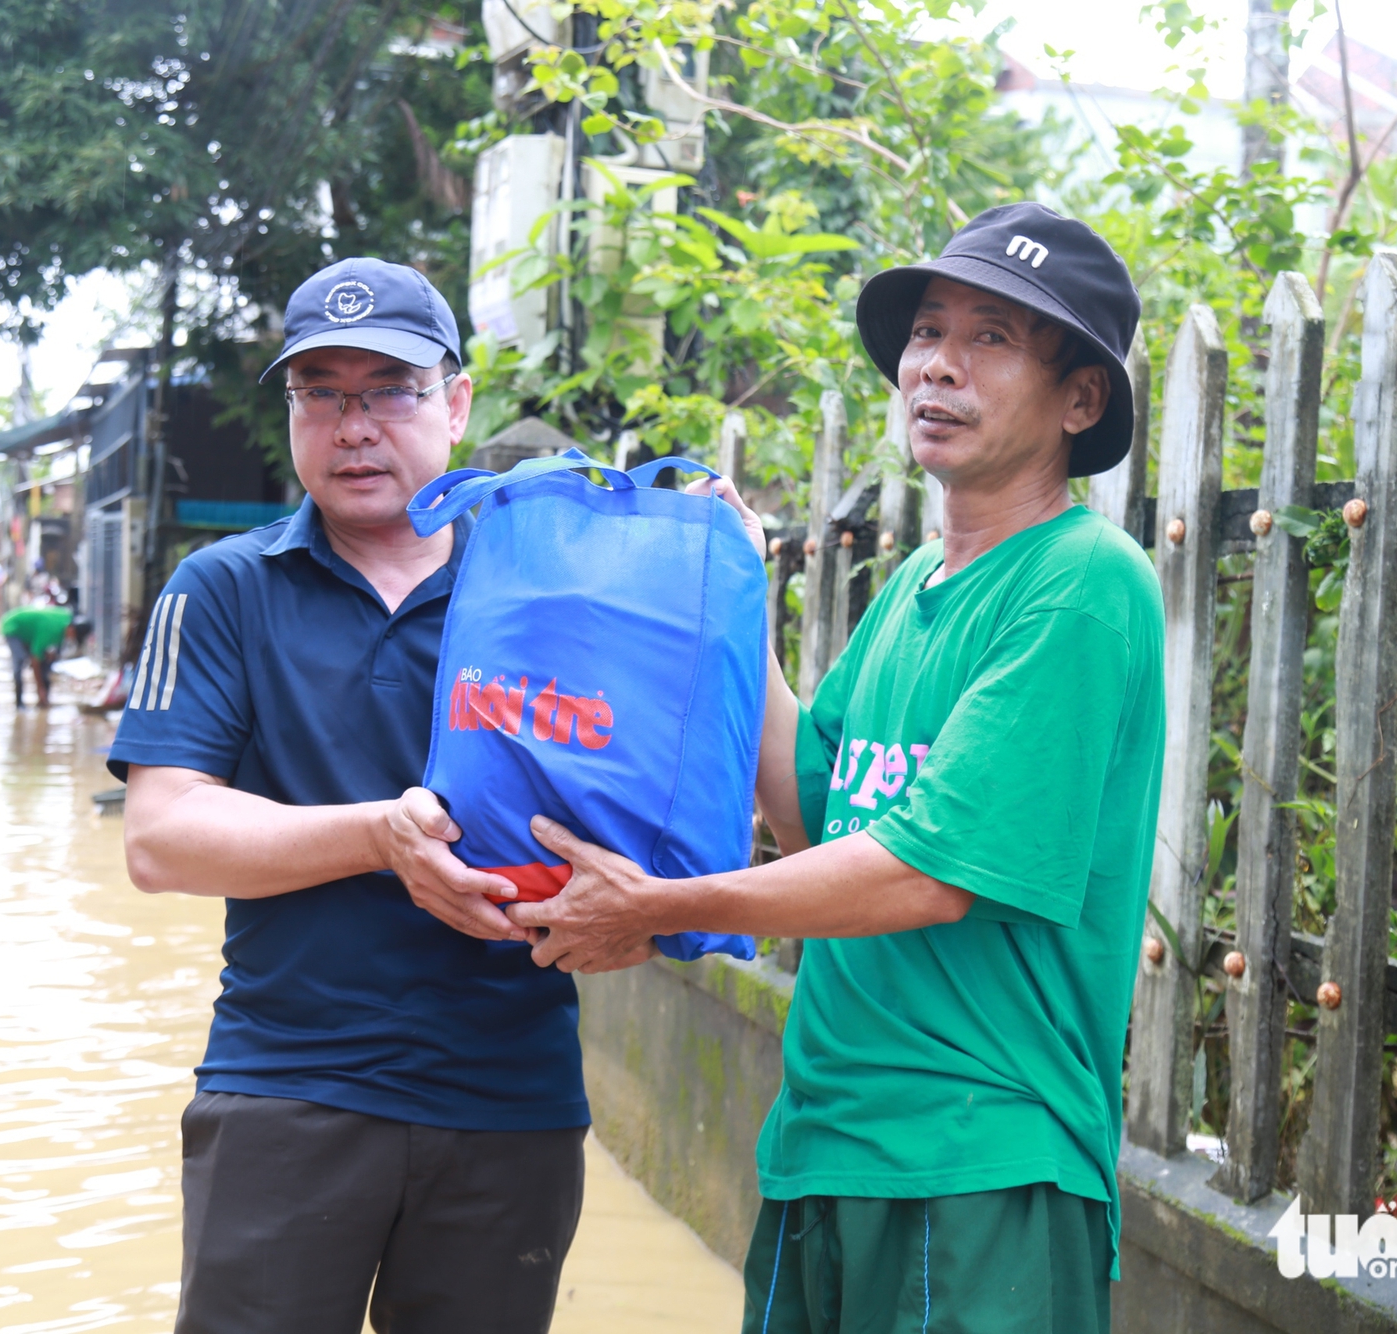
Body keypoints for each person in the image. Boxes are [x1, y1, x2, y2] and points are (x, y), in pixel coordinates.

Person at [500, 203, 1168, 1333]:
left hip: (976, 1161)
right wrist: (734, 603)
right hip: (825, 1140)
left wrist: (660, 908)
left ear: (1079, 398)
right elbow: (812, 814)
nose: (936, 365)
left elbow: (924, 873)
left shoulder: (1082, 581)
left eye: (990, 338)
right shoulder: (910, 590)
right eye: (926, 331)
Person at [109, 257, 590, 1334]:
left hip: (508, 1094)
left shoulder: (548, 594)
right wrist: (381, 834)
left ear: (456, 404)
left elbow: (628, 818)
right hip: (287, 1084)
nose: (352, 424)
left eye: (388, 388)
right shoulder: (225, 588)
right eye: (319, 391)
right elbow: (161, 836)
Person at [0, 600, 72, 708]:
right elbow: (35, 658)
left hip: (31, 632)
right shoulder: (50, 628)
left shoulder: (64, 622)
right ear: (71, 629)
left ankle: (43, 701)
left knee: (47, 662)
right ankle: (19, 703)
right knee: (20, 660)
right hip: (13, 627)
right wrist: (40, 688)